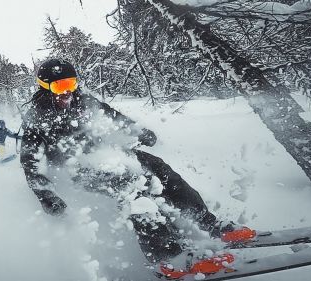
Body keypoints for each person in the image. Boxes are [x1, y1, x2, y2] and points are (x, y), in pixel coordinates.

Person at [19, 59, 254, 271]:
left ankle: (211, 224)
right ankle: (168, 256)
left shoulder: (84, 100)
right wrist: (45, 195)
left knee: (160, 169)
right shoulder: (37, 118)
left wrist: (140, 132)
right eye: (59, 87)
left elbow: (113, 116)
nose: (67, 92)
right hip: (78, 169)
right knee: (131, 186)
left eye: (70, 84)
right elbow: (30, 161)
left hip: (109, 154)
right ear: (44, 87)